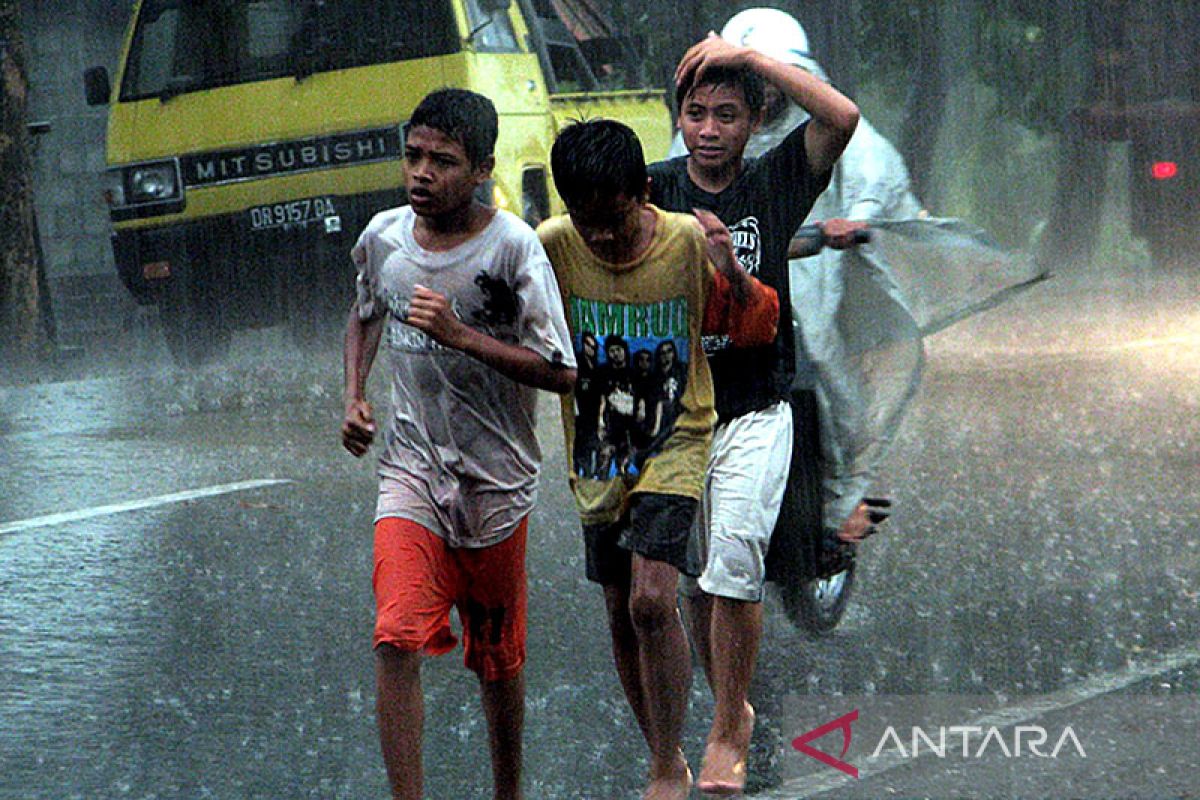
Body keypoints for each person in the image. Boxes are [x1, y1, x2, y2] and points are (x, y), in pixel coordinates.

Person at [340, 88, 576, 800]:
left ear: (482, 169)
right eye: (413, 155)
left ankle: (509, 791)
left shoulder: (513, 248)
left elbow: (561, 370)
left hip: (496, 483)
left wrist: (462, 336)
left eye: (442, 161)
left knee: (497, 660)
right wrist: (353, 394)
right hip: (410, 472)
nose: (420, 173)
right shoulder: (383, 238)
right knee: (394, 637)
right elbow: (363, 315)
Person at [537, 118, 779, 800]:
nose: (604, 239)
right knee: (620, 610)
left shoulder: (683, 240)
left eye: (614, 221)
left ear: (644, 191)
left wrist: (729, 268)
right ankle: (665, 754)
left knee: (651, 601)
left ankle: (676, 758)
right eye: (588, 226)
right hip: (599, 445)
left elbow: (758, 324)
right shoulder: (550, 247)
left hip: (677, 431)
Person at [646, 24, 860, 795]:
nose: (709, 130)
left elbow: (840, 118)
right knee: (698, 587)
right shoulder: (656, 189)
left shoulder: (772, 183)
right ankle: (728, 706)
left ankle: (730, 719)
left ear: (755, 122)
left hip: (757, 406)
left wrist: (749, 58)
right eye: (696, 112)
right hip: (676, 414)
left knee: (736, 565)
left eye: (727, 113)